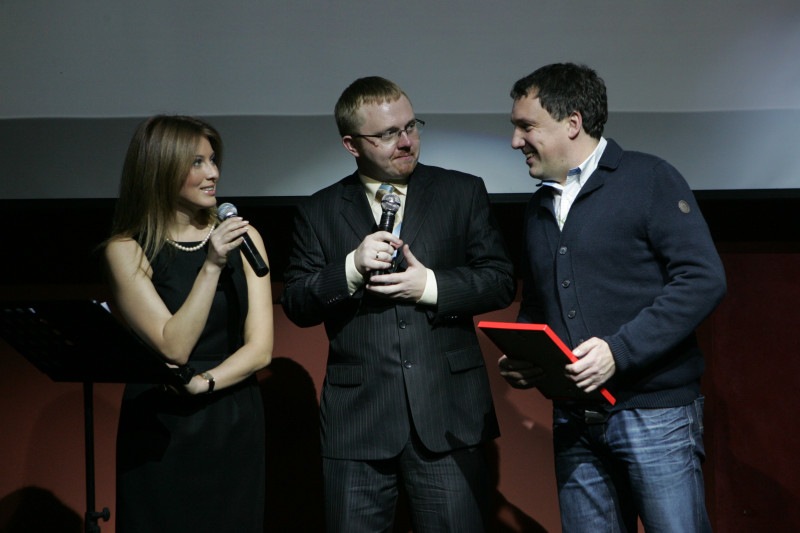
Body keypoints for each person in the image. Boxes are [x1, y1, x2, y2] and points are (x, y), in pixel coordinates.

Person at [498, 62, 727, 532]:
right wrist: (526, 352)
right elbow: (539, 303)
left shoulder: (649, 178)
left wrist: (618, 351)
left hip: (654, 415)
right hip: (575, 419)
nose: (516, 141)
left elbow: (702, 279)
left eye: (527, 126)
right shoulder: (539, 206)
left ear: (572, 123)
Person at [281, 76, 515, 532]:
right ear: (351, 144)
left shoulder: (461, 192)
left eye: (410, 126)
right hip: (358, 422)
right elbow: (296, 302)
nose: (406, 141)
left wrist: (429, 286)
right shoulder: (319, 211)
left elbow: (500, 280)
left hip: (447, 415)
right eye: (388, 134)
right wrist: (350, 267)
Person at [103, 115, 273, 532]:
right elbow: (173, 346)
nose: (213, 173)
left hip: (231, 414)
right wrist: (212, 265)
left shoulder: (246, 238)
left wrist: (206, 383)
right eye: (197, 162)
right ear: (161, 169)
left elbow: (261, 348)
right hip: (161, 421)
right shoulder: (127, 250)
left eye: (213, 160)